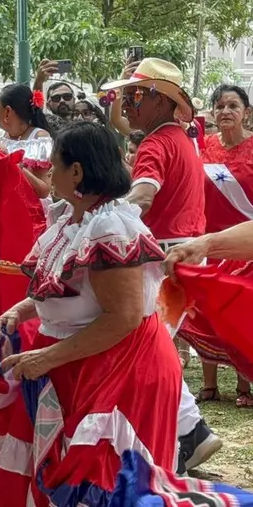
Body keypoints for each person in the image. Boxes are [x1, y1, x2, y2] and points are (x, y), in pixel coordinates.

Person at [0, 121, 180, 505]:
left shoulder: (110, 227)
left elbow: (122, 317)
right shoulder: (74, 220)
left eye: (54, 165)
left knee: (103, 484)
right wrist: (22, 311)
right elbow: (65, 289)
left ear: (76, 172)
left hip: (118, 371)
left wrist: (46, 357)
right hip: (78, 366)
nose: (47, 172)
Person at [102, 57, 219, 474]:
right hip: (184, 252)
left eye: (134, 95)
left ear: (158, 99)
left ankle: (187, 434)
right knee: (151, 346)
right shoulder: (181, 139)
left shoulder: (155, 143)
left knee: (142, 346)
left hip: (167, 257)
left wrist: (101, 221)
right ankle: (191, 432)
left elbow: (144, 196)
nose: (126, 103)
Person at [180, 84, 253, 406]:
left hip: (245, 242)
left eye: (233, 106)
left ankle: (244, 387)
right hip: (208, 243)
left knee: (241, 315)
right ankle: (209, 385)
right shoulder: (203, 146)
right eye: (220, 106)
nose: (226, 111)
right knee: (205, 312)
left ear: (246, 112)